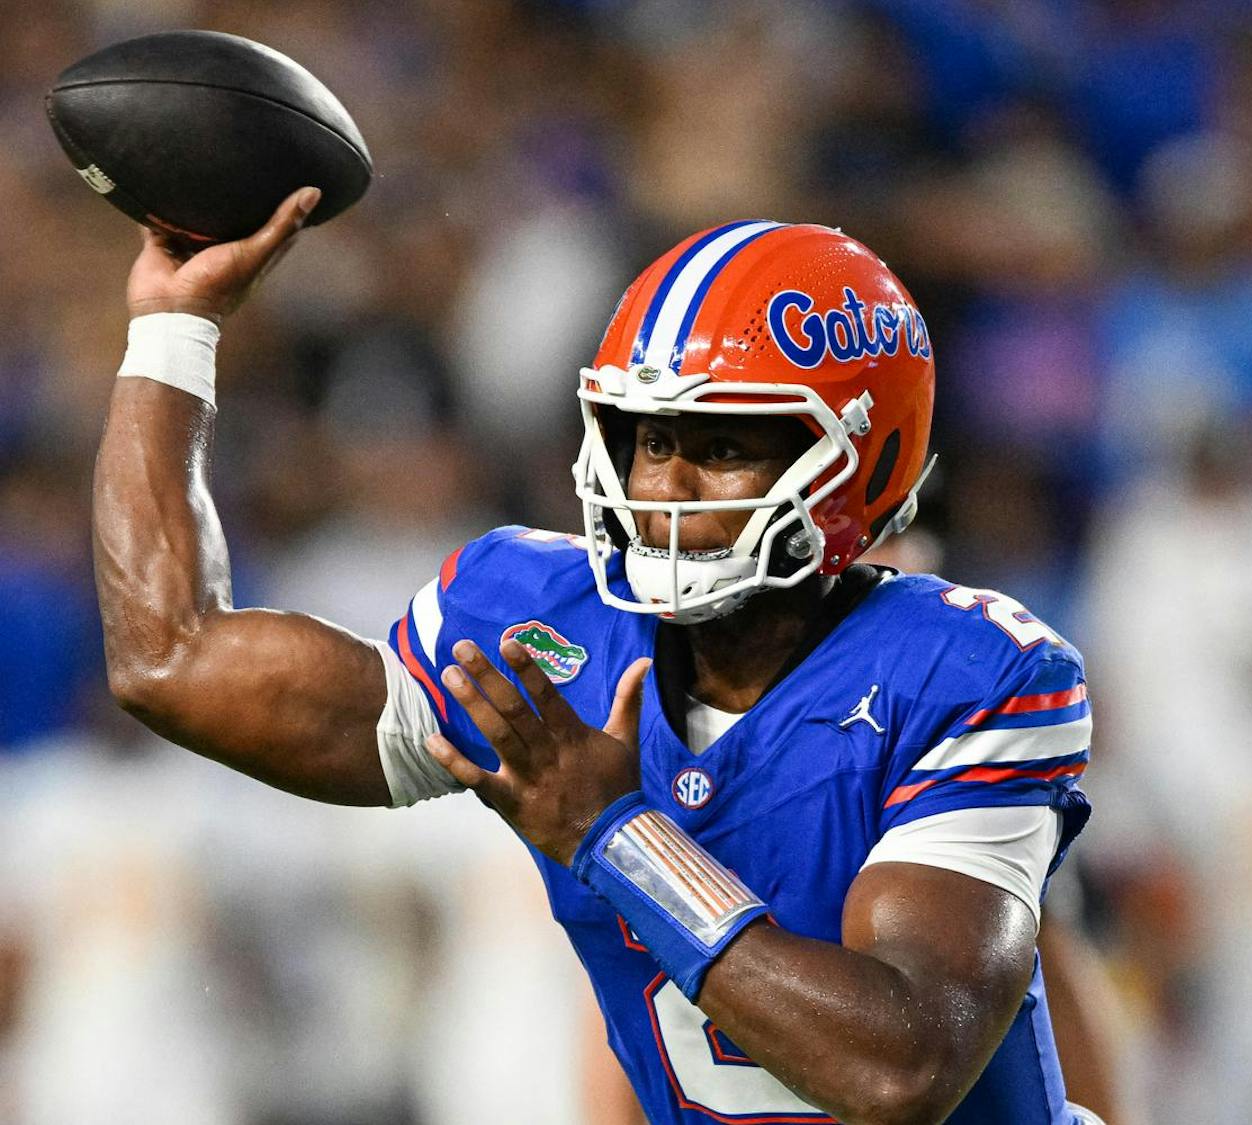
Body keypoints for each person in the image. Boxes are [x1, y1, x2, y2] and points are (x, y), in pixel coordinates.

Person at [95, 189, 1097, 1124]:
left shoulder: (973, 674)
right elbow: (170, 661)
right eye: (649, 439)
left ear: (859, 464)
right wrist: (174, 329)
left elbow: (901, 1067)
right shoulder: (538, 620)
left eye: (721, 446)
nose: (665, 487)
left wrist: (618, 836)